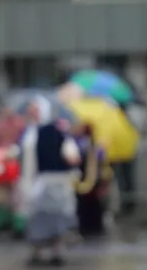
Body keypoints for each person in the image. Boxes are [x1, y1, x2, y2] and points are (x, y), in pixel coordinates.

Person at [19, 98, 80, 266]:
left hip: (51, 181)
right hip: (38, 181)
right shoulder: (30, 132)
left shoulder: (52, 132)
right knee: (39, 219)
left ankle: (55, 251)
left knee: (54, 219)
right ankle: (39, 251)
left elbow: (70, 154)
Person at [73, 124, 112, 238]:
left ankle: (87, 228)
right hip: (92, 180)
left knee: (86, 206)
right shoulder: (97, 148)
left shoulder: (79, 145)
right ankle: (95, 228)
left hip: (87, 180)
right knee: (93, 206)